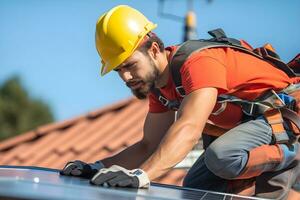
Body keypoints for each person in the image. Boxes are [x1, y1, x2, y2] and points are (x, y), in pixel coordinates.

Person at [60, 5, 300, 197]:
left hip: (287, 116)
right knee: (195, 187)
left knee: (223, 156)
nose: (126, 76)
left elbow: (188, 127)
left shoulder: (197, 64)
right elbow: (149, 145)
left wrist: (142, 176)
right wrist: (97, 166)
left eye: (130, 65)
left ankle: (293, 154)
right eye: (118, 70)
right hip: (259, 127)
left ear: (154, 50)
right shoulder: (161, 90)